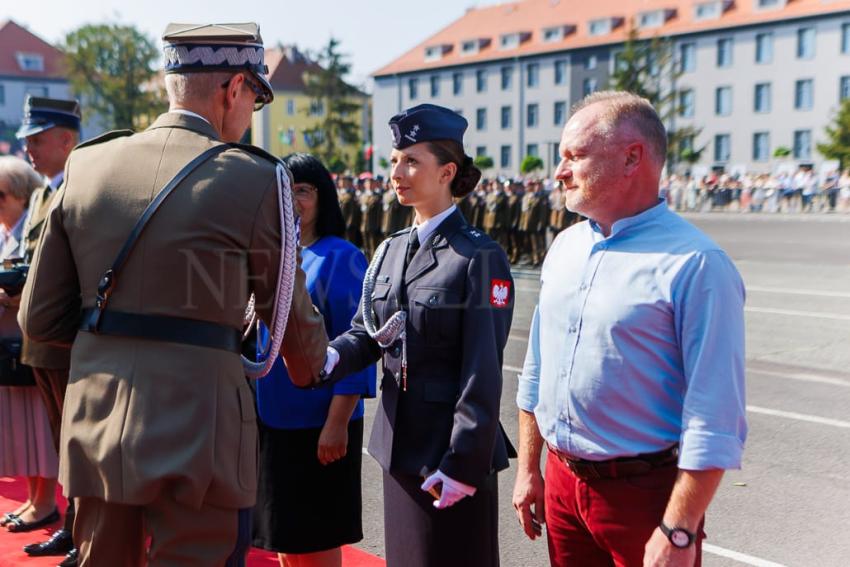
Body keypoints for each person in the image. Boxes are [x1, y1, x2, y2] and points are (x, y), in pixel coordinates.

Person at [19, 22, 329, 566]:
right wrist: (316, 365)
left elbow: (39, 319)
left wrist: (112, 354)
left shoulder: (88, 164)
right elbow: (294, 336)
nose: (249, 113)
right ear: (234, 89)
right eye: (253, 98)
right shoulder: (254, 178)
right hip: (201, 433)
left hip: (97, 422)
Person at [511, 91, 747, 567]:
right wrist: (528, 468)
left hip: (642, 494)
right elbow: (536, 371)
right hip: (560, 483)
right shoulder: (564, 247)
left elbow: (715, 416)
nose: (559, 172)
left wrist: (679, 529)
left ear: (631, 158)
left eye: (575, 156)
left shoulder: (696, 264)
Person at [326, 103, 515, 567]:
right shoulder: (391, 250)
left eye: (412, 161)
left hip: (448, 457)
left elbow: (482, 372)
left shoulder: (477, 257)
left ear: (447, 171)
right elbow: (369, 332)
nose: (397, 172)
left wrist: (464, 464)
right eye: (394, 160)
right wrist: (327, 358)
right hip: (400, 447)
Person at [252, 153, 376, 567]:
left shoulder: (342, 257)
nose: (291, 199)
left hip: (320, 425)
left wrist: (338, 422)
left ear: (323, 198)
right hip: (274, 419)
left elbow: (358, 345)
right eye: (283, 191)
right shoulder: (273, 254)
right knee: (286, 537)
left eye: (302, 190)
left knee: (317, 539)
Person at [14, 95, 80, 566]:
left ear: (67, 139)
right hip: (37, 336)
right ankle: (70, 526)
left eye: (37, 140)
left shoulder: (80, 186)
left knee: (78, 442)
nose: (29, 150)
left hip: (65, 335)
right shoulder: (40, 193)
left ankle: (83, 534)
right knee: (60, 440)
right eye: (27, 141)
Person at [0, 157, 60, 537]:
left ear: (21, 196)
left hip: (27, 338)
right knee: (20, 427)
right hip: (9, 341)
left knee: (37, 426)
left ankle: (45, 502)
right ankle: (35, 498)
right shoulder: (8, 232)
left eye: (1, 194)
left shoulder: (30, 229)